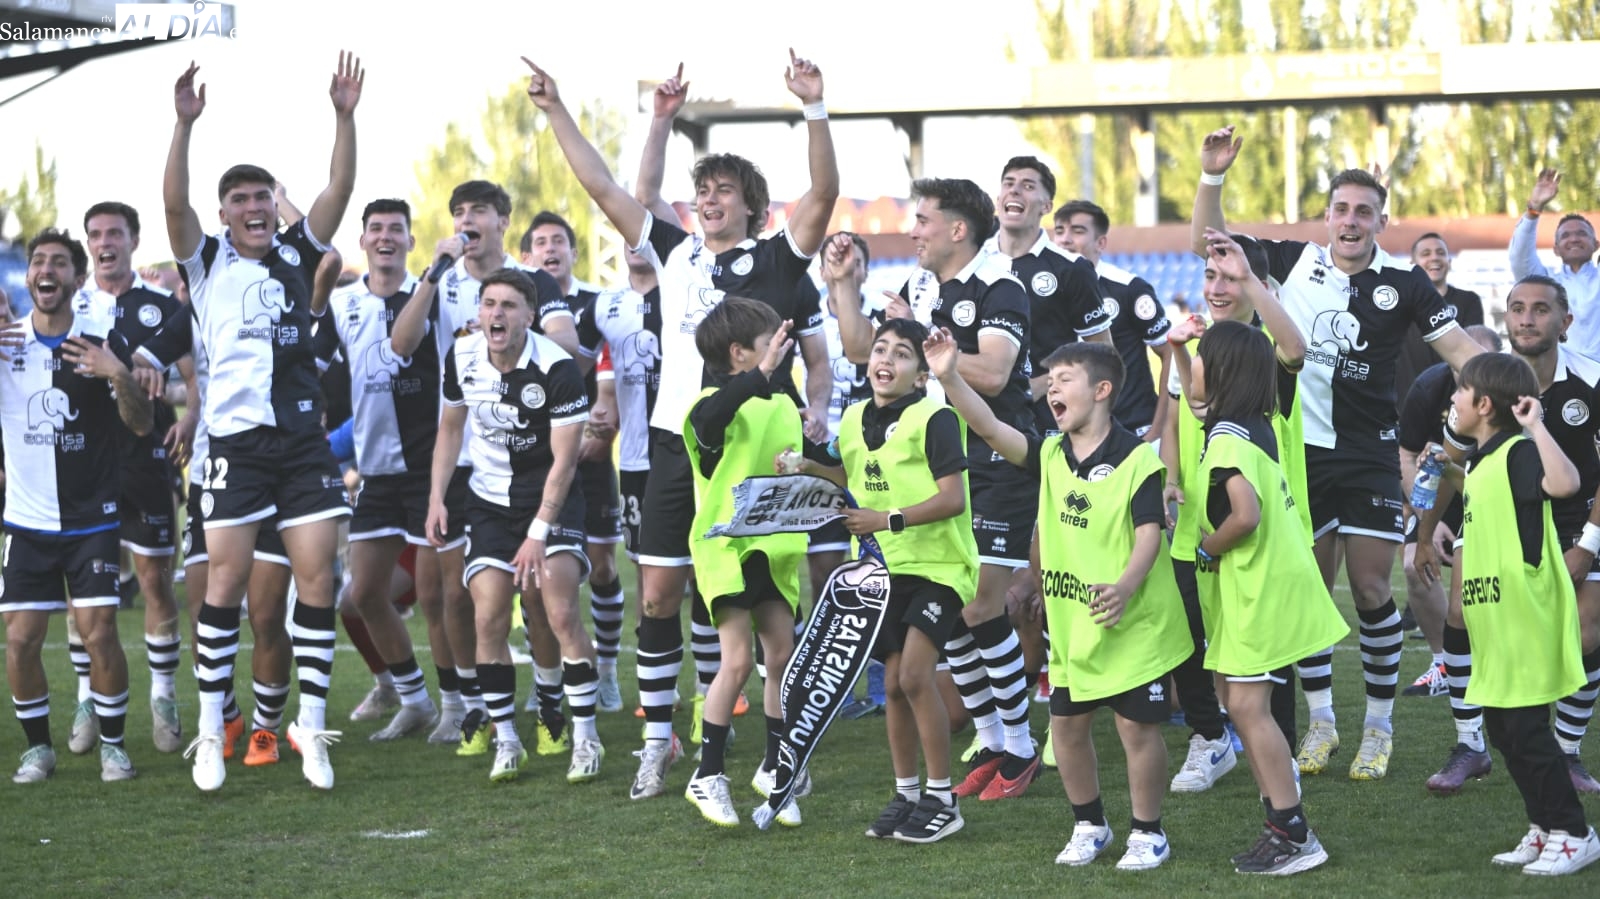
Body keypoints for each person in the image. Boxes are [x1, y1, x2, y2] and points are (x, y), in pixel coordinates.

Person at [525, 53, 838, 799]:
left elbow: (824, 191)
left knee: (768, 612)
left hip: (760, 453)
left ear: (753, 207)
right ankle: (657, 740)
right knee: (660, 594)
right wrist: (564, 109)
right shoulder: (673, 252)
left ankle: (776, 755)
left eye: (722, 191)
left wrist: (815, 107)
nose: (707, 200)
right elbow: (603, 185)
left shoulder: (778, 256)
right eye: (700, 192)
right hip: (676, 445)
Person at [1192, 125, 1482, 781]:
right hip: (1297, 451)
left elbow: (1460, 349)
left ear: (1382, 220)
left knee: (1375, 587)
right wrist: (1212, 177)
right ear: (1326, 217)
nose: (1351, 221)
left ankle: (1378, 727)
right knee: (1312, 590)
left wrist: (1508, 382)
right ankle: (1321, 720)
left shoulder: (1405, 281)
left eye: (1363, 211)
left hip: (1370, 449)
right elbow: (1207, 242)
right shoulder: (1293, 261)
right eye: (1341, 209)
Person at [164, 55, 364, 792]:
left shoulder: (296, 252)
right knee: (227, 584)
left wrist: (343, 116)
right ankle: (214, 730)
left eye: (261, 196)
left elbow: (338, 189)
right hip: (235, 449)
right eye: (239, 197)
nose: (252, 206)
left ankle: (309, 726)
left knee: (318, 581)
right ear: (224, 212)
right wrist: (183, 126)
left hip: (302, 445)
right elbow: (174, 203)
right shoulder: (207, 259)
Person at [933, 325, 1190, 868]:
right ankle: (1089, 825)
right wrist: (950, 376)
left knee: (1136, 730)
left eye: (1064, 380)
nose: (1052, 390)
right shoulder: (1050, 454)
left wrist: (1123, 587)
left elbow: (1149, 533)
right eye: (1049, 381)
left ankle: (1148, 833)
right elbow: (988, 425)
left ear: (1101, 391)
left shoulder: (1139, 459)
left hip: (1133, 622)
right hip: (1074, 627)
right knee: (1067, 728)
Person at [843, 177, 1043, 800]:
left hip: (997, 460)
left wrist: (922, 327)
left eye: (923, 220)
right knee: (953, 611)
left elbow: (993, 371)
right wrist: (843, 285)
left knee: (983, 605)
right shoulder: (921, 288)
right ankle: (991, 738)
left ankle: (1022, 745)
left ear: (959, 229)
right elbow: (861, 350)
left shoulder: (1000, 286)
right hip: (938, 464)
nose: (914, 230)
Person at [797, 246, 975, 840]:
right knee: (895, 686)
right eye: (880, 349)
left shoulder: (936, 417)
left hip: (939, 566)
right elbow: (847, 480)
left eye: (902, 354)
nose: (886, 360)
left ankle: (943, 801)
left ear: (923, 374)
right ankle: (904, 796)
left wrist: (886, 521)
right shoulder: (850, 420)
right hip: (881, 572)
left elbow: (953, 498)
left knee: (915, 677)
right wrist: (802, 464)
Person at [1417, 276, 1600, 797]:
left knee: (1587, 629)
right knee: (1460, 614)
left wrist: (1587, 545)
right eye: (1517, 308)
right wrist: (1426, 534)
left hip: (1577, 518)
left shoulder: (1592, 381)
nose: (1526, 318)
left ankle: (1565, 752)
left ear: (1565, 323)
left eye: (1541, 309)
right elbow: (1446, 464)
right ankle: (1470, 744)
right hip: (1497, 512)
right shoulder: (1486, 383)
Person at [426, 268, 599, 784]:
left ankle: (584, 737)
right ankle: (507, 739)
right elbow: (450, 428)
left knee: (559, 611)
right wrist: (436, 497)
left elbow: (566, 462)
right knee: (489, 617)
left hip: (553, 498)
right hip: (489, 502)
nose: (496, 314)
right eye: (488, 304)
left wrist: (539, 531)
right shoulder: (460, 356)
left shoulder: (557, 367)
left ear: (529, 316)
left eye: (508, 306)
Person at [1193, 320, 1349, 875]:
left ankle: (1294, 833)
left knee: (1249, 707)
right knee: (1240, 704)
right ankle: (1280, 823)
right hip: (1265, 584)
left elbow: (1246, 515)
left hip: (1260, 586)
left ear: (1220, 370)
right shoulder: (1250, 424)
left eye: (1200, 356)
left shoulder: (1227, 435)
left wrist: (1207, 547)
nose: (1194, 364)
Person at [3, 229, 154, 783]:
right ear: (28, 279)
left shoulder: (101, 340)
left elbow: (141, 424)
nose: (47, 270)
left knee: (99, 634)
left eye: (60, 263)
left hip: (90, 518)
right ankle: (38, 749)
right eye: (39, 262)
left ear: (76, 278)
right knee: (20, 639)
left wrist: (117, 373)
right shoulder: (7, 342)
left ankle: (113, 746)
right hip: (25, 520)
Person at [1161, 229, 1308, 792]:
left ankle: (1282, 753)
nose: (1218, 288)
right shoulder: (1196, 346)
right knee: (1189, 639)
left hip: (1256, 528)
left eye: (1231, 277)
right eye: (1211, 276)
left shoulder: (1262, 350)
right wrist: (1172, 479)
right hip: (1195, 526)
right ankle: (1210, 738)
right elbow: (1177, 415)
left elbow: (1295, 352)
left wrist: (1249, 277)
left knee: (1266, 651)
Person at [328, 198, 460, 743]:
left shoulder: (435, 294)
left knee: (432, 595)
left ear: (410, 241)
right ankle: (414, 700)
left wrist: (432, 274)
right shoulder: (342, 304)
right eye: (375, 229)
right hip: (376, 470)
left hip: (428, 467)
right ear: (363, 241)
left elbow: (405, 346)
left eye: (396, 230)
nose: (385, 237)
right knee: (360, 595)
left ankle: (457, 706)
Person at [66, 201, 193, 757]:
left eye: (114, 232)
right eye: (95, 234)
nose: (104, 242)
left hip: (144, 460)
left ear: (133, 240)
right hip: (84, 464)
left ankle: (163, 696)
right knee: (85, 590)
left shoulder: (164, 307)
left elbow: (195, 377)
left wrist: (190, 416)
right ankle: (86, 697)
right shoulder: (73, 308)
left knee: (154, 579)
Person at [679, 297, 803, 827]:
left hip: (772, 547)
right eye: (771, 341)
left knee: (781, 656)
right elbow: (714, 417)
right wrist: (763, 375)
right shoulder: (711, 404)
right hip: (725, 547)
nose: (782, 347)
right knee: (734, 662)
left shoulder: (779, 400)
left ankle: (777, 769)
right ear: (739, 353)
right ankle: (707, 775)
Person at [522, 210, 626, 715]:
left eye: (558, 240)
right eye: (539, 242)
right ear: (527, 257)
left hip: (589, 454)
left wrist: (599, 429)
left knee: (604, 565)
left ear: (574, 252)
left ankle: (605, 670)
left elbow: (607, 385)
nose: (550, 248)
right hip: (538, 460)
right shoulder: (515, 305)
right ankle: (544, 675)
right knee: (534, 573)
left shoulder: (595, 305)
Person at [1397, 325, 1503, 710]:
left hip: (1497, 492)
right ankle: (1444, 663)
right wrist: (1427, 514)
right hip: (1439, 491)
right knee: (1412, 564)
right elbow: (1407, 454)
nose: (1468, 384)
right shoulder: (1428, 388)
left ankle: (1499, 661)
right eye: (1460, 373)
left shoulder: (1516, 390)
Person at [1051, 198, 1173, 440]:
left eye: (1078, 231)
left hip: (1131, 430)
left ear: (1101, 242)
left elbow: (1170, 353)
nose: (1065, 239)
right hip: (1070, 436)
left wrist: (1157, 430)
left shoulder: (1129, 289)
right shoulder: (1043, 290)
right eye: (1059, 231)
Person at [1393, 232, 1483, 418]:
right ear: (1413, 263)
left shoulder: (1468, 301)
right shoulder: (1398, 304)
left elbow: (1471, 356)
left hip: (1455, 405)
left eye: (1440, 252)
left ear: (1449, 260)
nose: (1434, 257)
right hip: (1407, 405)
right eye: (1426, 253)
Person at [1510, 169, 1599, 357]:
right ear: (1556, 249)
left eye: (1582, 234)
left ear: (1596, 245)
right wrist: (1534, 208)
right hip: (1561, 375)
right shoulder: (1546, 283)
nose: (1574, 238)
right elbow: (1520, 257)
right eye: (1565, 235)